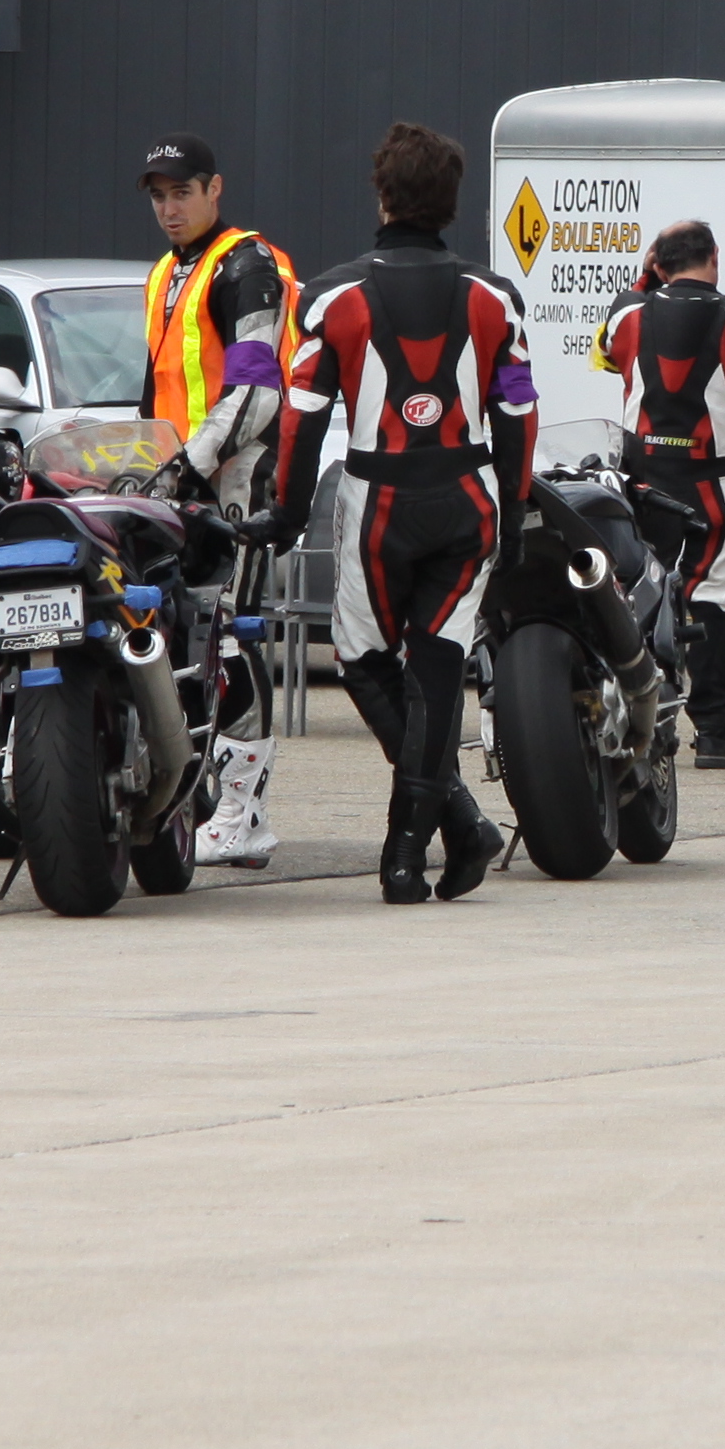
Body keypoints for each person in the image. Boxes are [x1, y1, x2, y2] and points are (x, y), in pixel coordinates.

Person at [260, 122, 533, 902]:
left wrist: (286, 512)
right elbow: (519, 412)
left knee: (362, 661)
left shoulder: (331, 297)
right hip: (468, 496)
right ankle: (417, 850)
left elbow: (301, 417)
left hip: (377, 498)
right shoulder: (496, 297)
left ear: (382, 196)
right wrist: (514, 514)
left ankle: (445, 832)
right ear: (452, 203)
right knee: (438, 671)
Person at [140, 134, 301, 867]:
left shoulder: (247, 264)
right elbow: (156, 391)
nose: (169, 208)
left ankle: (245, 811)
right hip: (176, 484)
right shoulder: (166, 272)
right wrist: (142, 467)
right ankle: (192, 798)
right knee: (171, 636)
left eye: (182, 192)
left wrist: (188, 465)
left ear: (215, 189)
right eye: (158, 196)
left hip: (238, 481)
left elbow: (258, 390)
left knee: (229, 637)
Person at [598, 219, 725, 771]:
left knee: (640, 594)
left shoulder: (625, 314)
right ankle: (713, 733)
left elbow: (607, 352)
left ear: (658, 264)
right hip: (714, 482)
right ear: (715, 255)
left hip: (641, 481)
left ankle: (637, 718)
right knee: (711, 598)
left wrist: (646, 277)